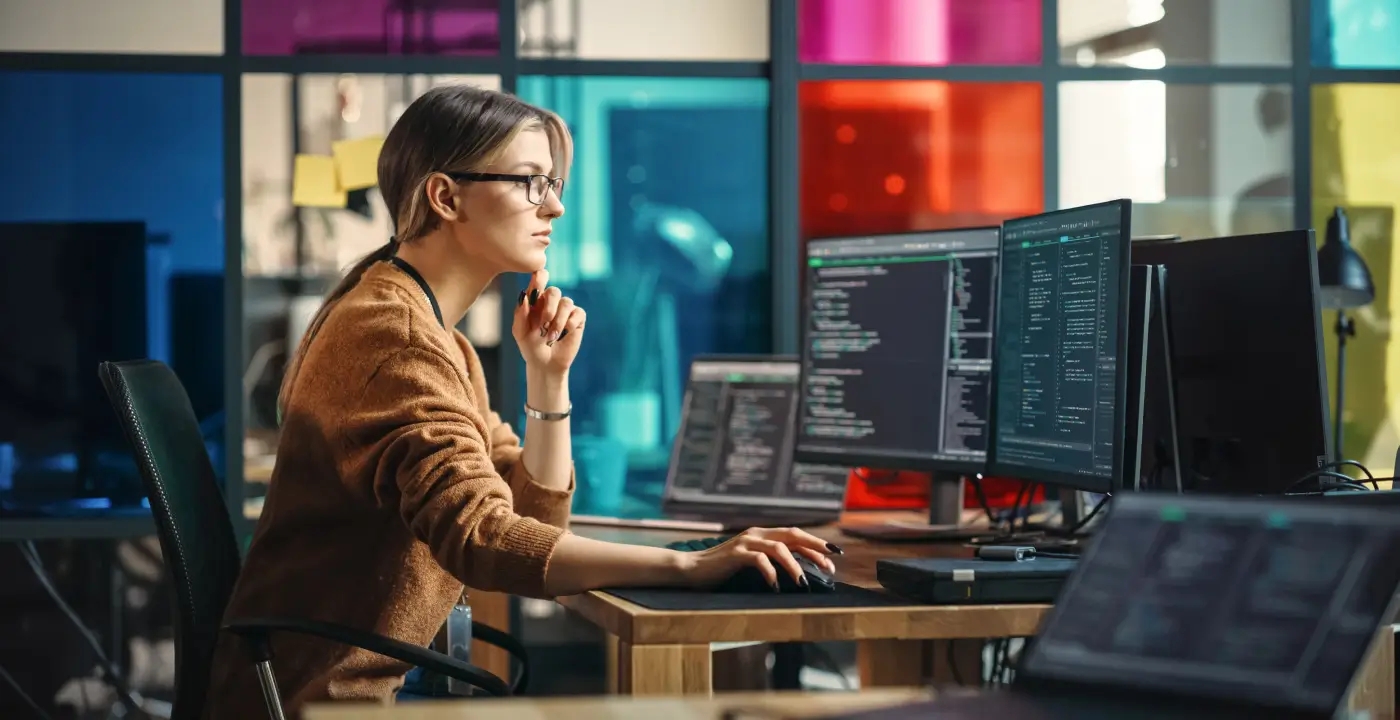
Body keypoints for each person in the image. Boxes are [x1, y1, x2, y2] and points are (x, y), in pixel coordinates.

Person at [203, 85, 838, 718]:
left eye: (553, 184)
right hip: (318, 705)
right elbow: (482, 539)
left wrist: (548, 378)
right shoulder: (392, 336)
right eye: (531, 182)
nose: (555, 207)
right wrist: (690, 568)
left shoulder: (435, 333)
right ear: (446, 197)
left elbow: (533, 518)